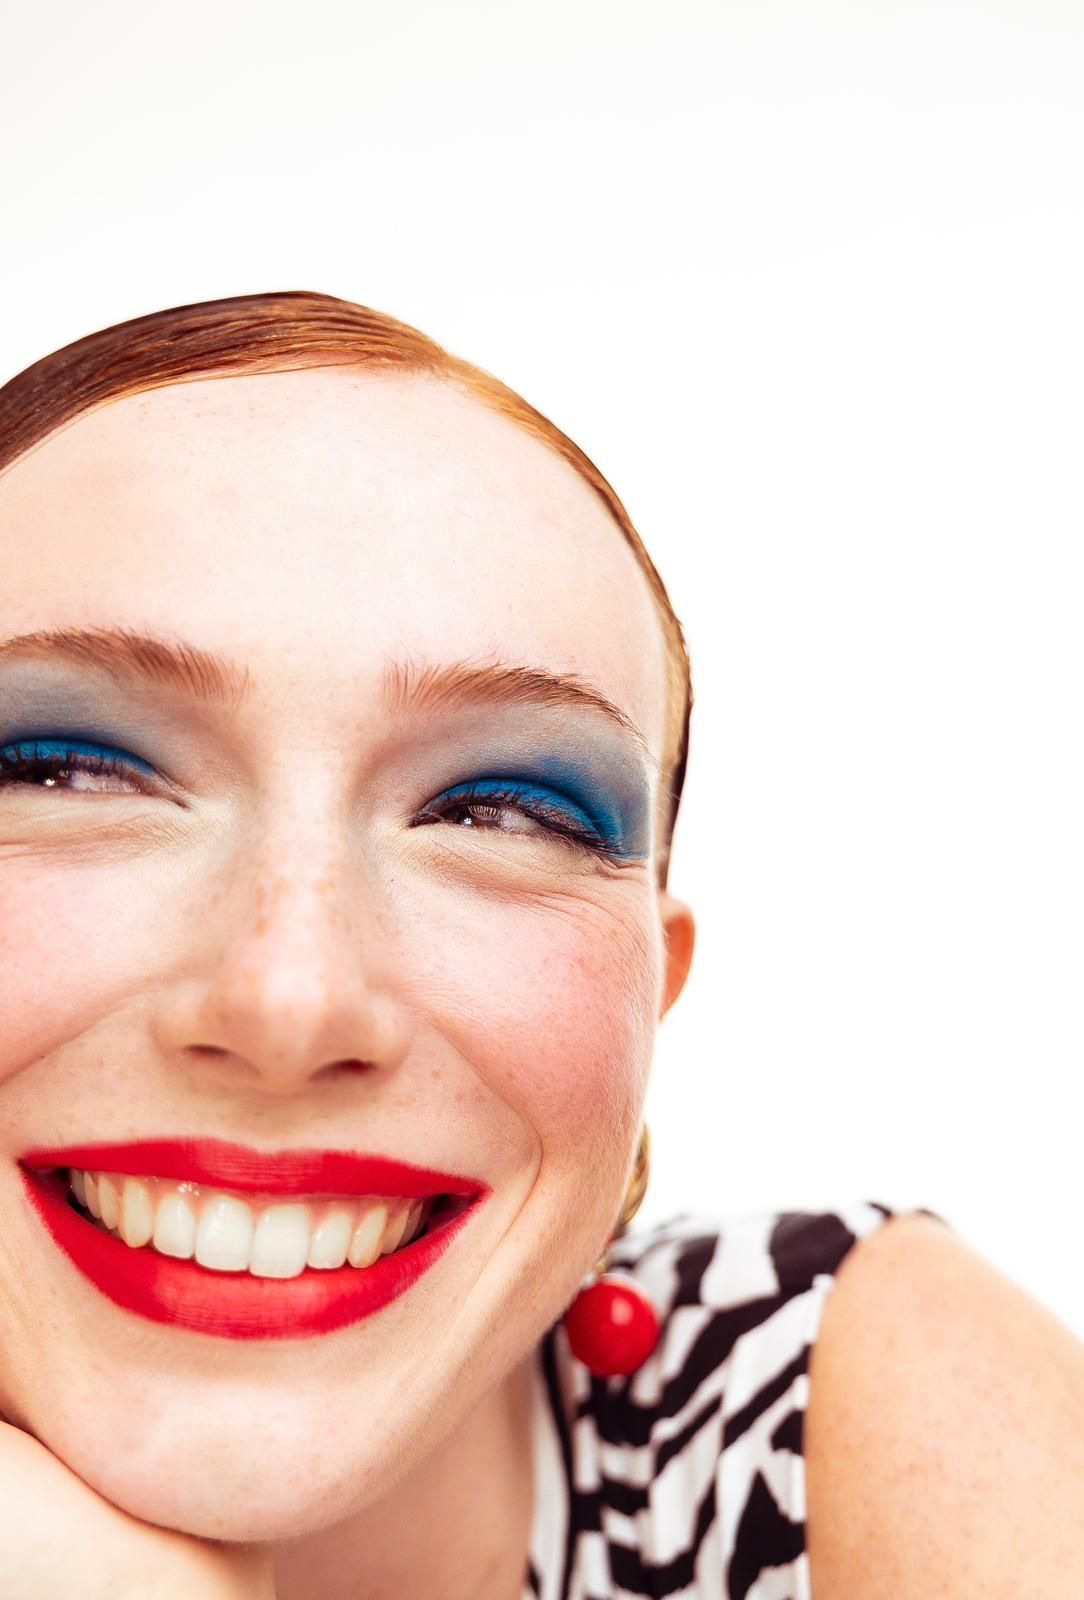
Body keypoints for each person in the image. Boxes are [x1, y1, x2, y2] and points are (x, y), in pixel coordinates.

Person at [0, 292, 1080, 1600]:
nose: (291, 1002)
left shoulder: (841, 1397)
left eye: (503, 810)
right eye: (61, 771)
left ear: (650, 998)